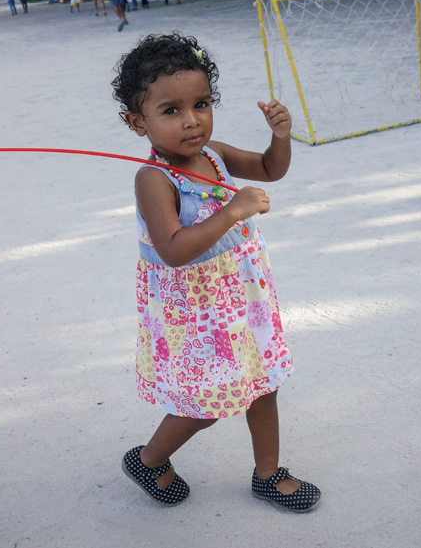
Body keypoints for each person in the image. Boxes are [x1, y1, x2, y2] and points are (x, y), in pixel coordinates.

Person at [111, 33, 321, 512]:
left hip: (241, 296)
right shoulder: (153, 179)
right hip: (196, 313)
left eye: (201, 104)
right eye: (171, 111)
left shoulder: (215, 155)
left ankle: (268, 473)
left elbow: (271, 168)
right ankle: (149, 458)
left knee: (263, 381)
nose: (192, 120)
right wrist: (230, 213)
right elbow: (172, 250)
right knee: (204, 403)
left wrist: (281, 137)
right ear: (136, 122)